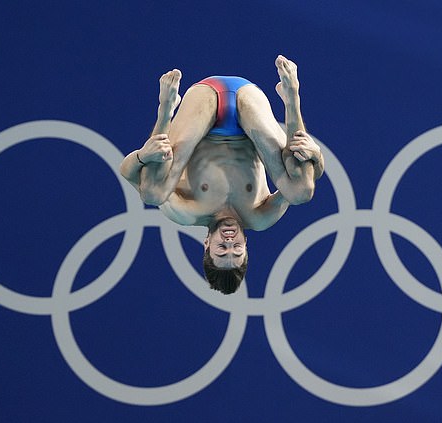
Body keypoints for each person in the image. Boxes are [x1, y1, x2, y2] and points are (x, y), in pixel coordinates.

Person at [119, 55, 324, 294]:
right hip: (249, 105)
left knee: (153, 193)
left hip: (203, 107)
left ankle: (165, 109)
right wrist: (317, 155)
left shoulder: (186, 213)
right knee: (301, 193)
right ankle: (292, 97)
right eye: (236, 249)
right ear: (246, 246)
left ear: (206, 245)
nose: (229, 241)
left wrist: (143, 156)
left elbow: (129, 173)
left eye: (221, 250)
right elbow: (307, 180)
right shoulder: (261, 217)